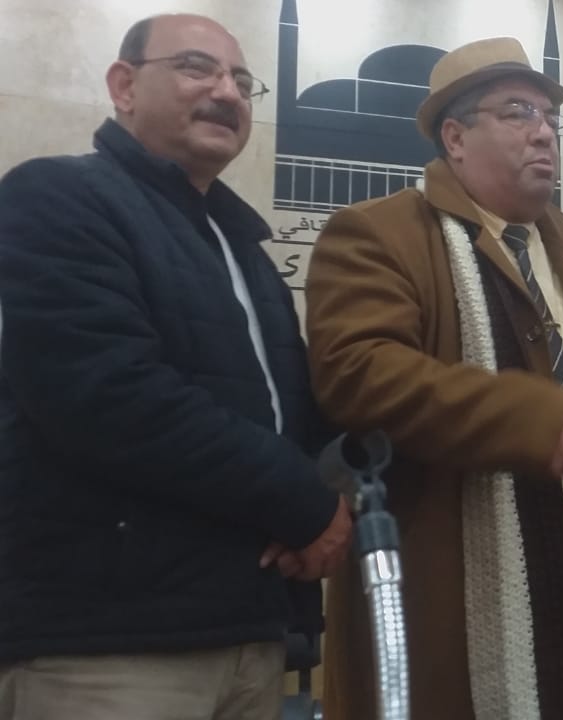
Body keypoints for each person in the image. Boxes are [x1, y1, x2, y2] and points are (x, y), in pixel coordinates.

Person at [303, 37, 563, 720]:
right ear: (455, 137)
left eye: (550, 118)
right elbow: (356, 373)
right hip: (452, 588)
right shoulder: (378, 233)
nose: (543, 132)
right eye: (516, 113)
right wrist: (528, 416)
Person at [0, 14, 349, 720]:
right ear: (124, 86)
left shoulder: (245, 248)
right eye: (196, 67)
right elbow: (109, 396)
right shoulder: (57, 196)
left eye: (243, 82)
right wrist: (307, 505)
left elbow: (284, 416)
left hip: (250, 632)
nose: (227, 92)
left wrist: (344, 475)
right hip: (108, 645)